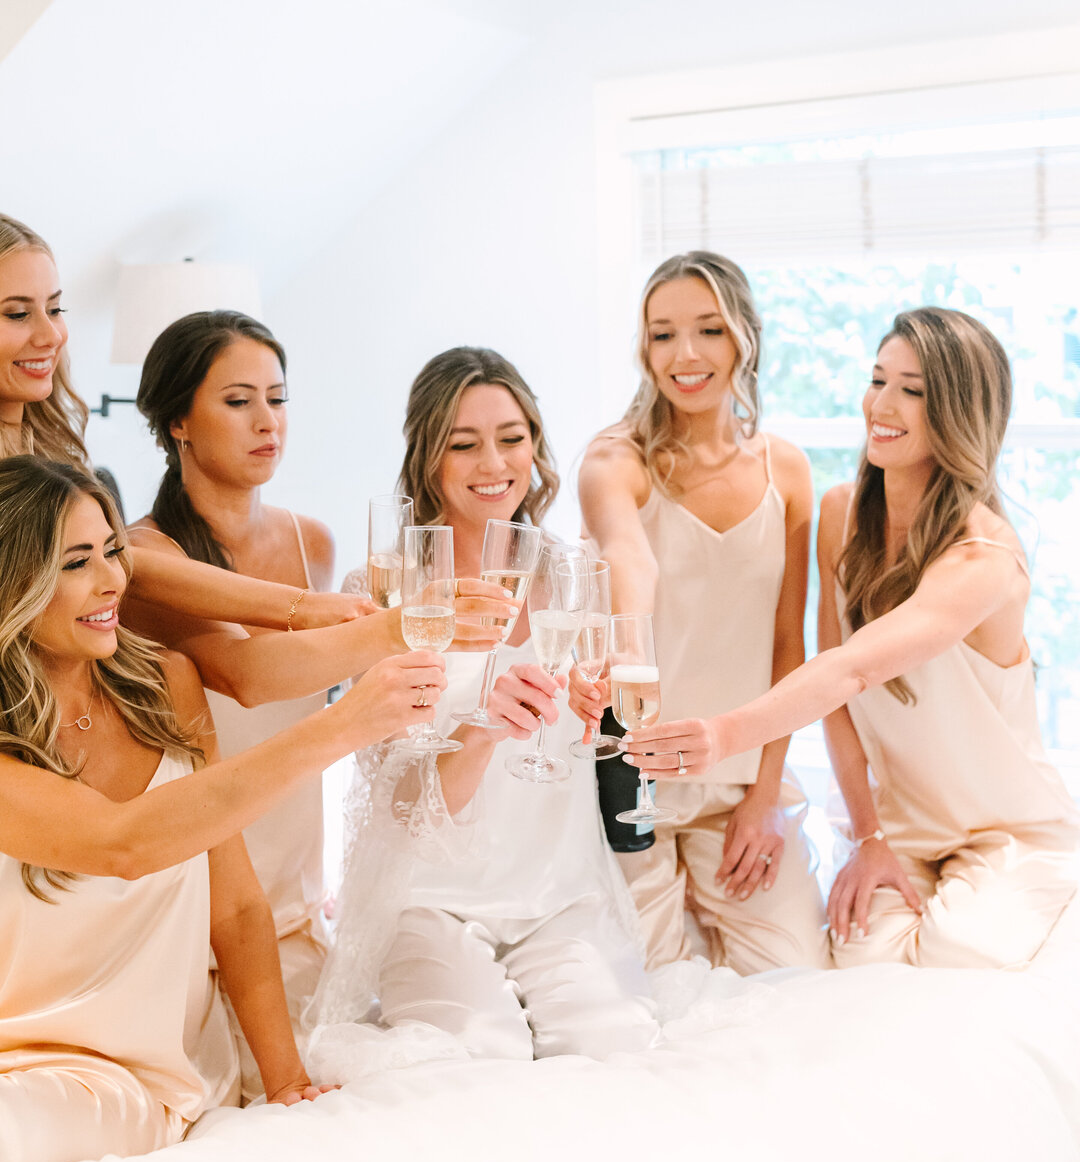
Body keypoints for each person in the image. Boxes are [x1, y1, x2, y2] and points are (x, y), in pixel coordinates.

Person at [0, 456, 438, 1162]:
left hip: (122, 1065)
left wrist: (285, 1082)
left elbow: (235, 908)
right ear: (0, 583)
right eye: (75, 562)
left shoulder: (165, 686)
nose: (112, 580)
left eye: (112, 549)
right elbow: (121, 843)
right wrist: (344, 724)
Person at [0, 212, 377, 971]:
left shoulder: (48, 455)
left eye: (55, 308)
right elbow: (129, 566)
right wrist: (299, 607)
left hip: (59, 779)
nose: (49, 334)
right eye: (17, 313)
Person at [625, 307, 1079, 970]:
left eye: (913, 390)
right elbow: (837, 703)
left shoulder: (985, 557)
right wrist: (867, 835)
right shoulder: (842, 516)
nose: (881, 404)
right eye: (877, 379)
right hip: (902, 834)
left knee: (959, 954)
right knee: (861, 961)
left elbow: (852, 671)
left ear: (959, 413)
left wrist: (724, 737)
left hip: (1007, 833)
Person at [127, 310, 510, 1045]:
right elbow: (248, 674)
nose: (267, 420)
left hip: (297, 898)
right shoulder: (147, 555)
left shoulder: (313, 541)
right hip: (198, 886)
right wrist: (407, 624)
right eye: (238, 401)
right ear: (179, 420)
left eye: (277, 397)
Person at [314, 347, 658, 1063]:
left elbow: (584, 742)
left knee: (613, 1047)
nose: (493, 463)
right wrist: (481, 729)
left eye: (512, 437)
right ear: (427, 457)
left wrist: (592, 713)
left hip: (556, 895)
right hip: (430, 898)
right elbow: (397, 799)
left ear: (536, 444)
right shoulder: (384, 589)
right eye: (462, 444)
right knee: (481, 1049)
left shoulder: (572, 574)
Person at [571, 252, 828, 973]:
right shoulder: (614, 461)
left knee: (794, 979)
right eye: (662, 334)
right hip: (632, 783)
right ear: (643, 349)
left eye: (708, 330)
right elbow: (629, 553)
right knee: (650, 995)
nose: (685, 355)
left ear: (744, 335)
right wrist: (630, 646)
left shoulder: (789, 471)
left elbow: (789, 643)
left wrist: (767, 798)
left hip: (742, 780)